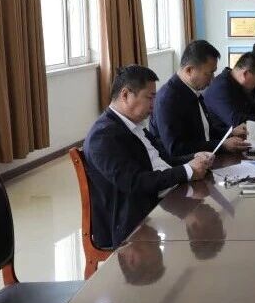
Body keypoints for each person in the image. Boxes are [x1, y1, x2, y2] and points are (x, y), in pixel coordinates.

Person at [83, 65, 214, 248]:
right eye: (149, 98)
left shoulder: (133, 125)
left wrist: (193, 158)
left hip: (161, 196)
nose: (153, 105)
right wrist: (186, 171)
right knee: (202, 228)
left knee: (209, 208)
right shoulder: (103, 137)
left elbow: (163, 159)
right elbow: (134, 182)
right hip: (133, 218)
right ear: (125, 95)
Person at [150, 40, 252, 161]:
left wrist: (230, 133)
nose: (212, 79)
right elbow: (176, 148)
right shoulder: (168, 99)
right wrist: (222, 146)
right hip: (183, 166)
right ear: (189, 70)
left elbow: (205, 130)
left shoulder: (192, 91)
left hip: (205, 160)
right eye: (209, 73)